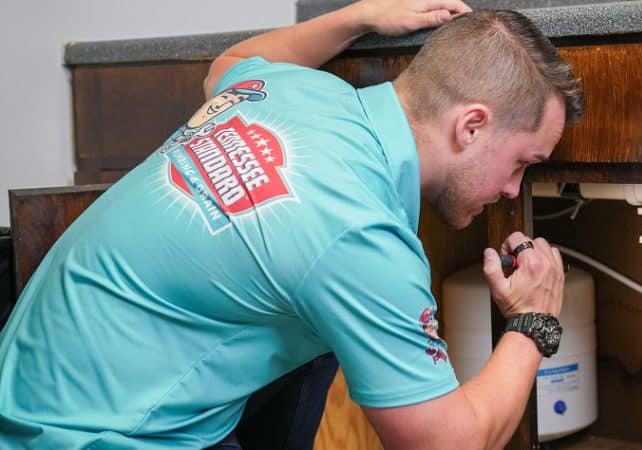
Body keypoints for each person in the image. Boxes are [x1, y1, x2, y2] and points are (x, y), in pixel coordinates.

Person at [0, 0, 585, 448]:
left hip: (23, 396)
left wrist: (356, 17)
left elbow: (224, 66)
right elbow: (444, 441)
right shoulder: (360, 235)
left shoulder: (293, 89)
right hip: (99, 436)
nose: (513, 190)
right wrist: (534, 322)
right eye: (521, 164)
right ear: (472, 126)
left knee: (315, 328)